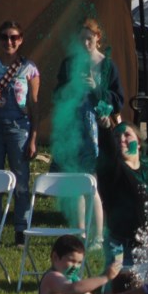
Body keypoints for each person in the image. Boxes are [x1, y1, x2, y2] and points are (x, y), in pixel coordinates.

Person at [50, 17, 125, 239]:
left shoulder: (107, 65)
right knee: (75, 182)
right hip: (73, 129)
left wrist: (96, 89)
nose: (85, 44)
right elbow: (58, 95)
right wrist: (72, 87)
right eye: (81, 39)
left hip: (97, 131)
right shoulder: (69, 63)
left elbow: (118, 100)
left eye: (89, 39)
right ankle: (80, 233)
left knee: (91, 182)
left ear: (97, 38)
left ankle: (98, 236)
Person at [0, 21, 39, 247]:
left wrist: (33, 137)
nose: (9, 42)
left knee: (21, 180)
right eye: (4, 37)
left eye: (14, 37)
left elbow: (34, 105)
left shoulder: (29, 69)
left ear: (21, 40)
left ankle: (21, 231)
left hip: (19, 129)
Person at [96, 121, 148, 268]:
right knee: (124, 286)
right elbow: (107, 148)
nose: (121, 139)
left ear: (138, 143)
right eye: (116, 136)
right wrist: (104, 128)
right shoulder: (112, 168)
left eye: (127, 135)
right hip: (121, 244)